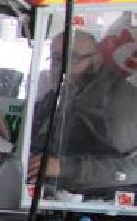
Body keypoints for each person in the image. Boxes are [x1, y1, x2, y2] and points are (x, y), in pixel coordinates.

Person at [27, 28, 137, 197]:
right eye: (56, 59)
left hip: (102, 201)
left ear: (97, 60)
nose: (62, 67)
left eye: (73, 58)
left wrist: (64, 168)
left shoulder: (118, 100)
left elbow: (129, 168)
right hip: (56, 193)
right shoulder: (65, 93)